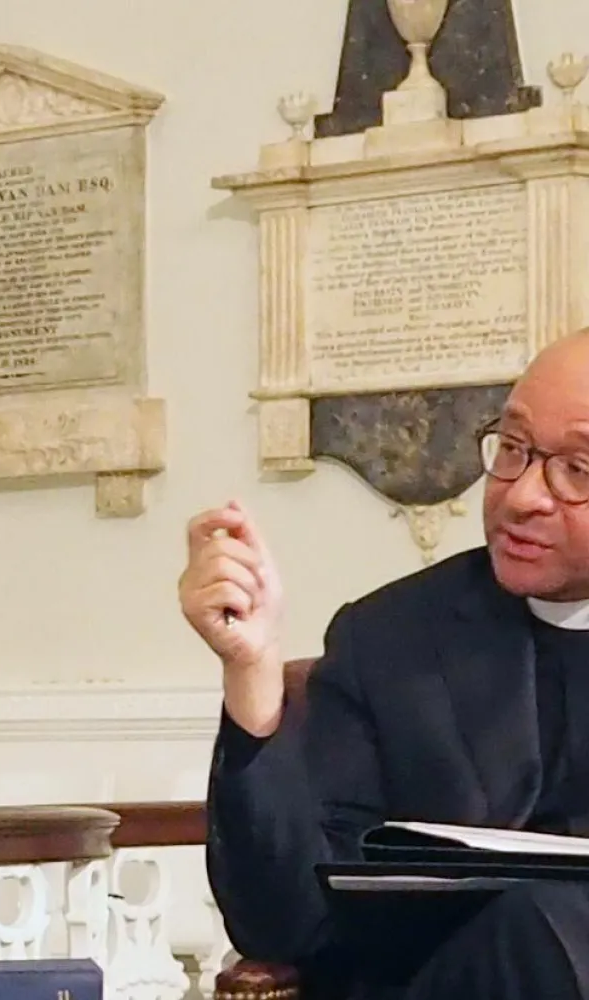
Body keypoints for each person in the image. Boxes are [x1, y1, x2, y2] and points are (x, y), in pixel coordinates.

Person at [182, 331, 589, 999]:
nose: (522, 496)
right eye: (513, 449)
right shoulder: (393, 639)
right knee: (536, 922)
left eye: (577, 470)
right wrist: (252, 672)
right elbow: (286, 924)